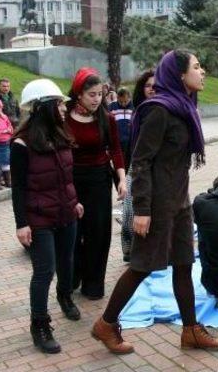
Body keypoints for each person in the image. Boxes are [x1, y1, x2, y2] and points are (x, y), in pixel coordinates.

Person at [92, 50, 218, 354]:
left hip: (179, 202)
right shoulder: (159, 110)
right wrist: (141, 210)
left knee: (183, 263)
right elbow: (140, 162)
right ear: (180, 75)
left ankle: (191, 330)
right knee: (141, 266)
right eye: (197, 66)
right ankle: (106, 324)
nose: (202, 71)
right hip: (155, 206)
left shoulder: (184, 107)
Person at [10, 79, 83, 353]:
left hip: (66, 212)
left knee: (67, 260)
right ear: (43, 107)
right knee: (44, 272)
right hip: (38, 218)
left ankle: (65, 297)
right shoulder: (21, 144)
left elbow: (67, 176)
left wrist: (75, 203)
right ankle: (39, 324)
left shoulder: (61, 134)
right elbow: (18, 188)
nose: (64, 107)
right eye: (59, 103)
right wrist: (21, 224)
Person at [66, 68, 127, 300]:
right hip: (71, 182)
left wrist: (121, 179)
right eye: (91, 94)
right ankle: (72, 277)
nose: (96, 99)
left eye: (100, 94)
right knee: (73, 233)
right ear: (79, 94)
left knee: (99, 234)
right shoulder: (64, 117)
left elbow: (116, 150)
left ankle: (93, 283)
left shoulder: (106, 118)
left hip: (99, 181)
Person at [120, 70, 156, 262]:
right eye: (147, 85)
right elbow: (132, 145)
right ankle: (131, 251)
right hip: (136, 167)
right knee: (129, 214)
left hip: (156, 169)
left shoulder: (163, 111)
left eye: (155, 85)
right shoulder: (138, 111)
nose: (151, 89)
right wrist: (125, 172)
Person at [108, 87, 134, 166]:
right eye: (120, 101)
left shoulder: (134, 107)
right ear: (117, 98)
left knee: (128, 164)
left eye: (125, 101)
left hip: (130, 143)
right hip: (116, 143)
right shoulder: (111, 107)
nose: (123, 104)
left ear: (130, 98)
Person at [0, 98, 14, 190]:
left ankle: (8, 181)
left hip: (6, 144)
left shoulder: (5, 117)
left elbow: (11, 129)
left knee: (6, 163)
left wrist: (4, 131)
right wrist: (5, 131)